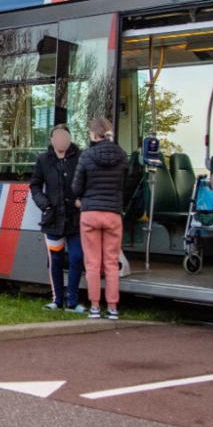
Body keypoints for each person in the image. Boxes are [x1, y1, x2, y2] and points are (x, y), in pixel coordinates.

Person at [72, 117, 128, 321]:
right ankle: (113, 308)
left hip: (90, 213)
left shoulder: (86, 156)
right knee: (111, 263)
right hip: (113, 213)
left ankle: (95, 307)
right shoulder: (122, 155)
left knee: (93, 263)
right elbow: (125, 184)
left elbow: (76, 188)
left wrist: (84, 199)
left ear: (94, 135)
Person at [29, 124, 85, 312]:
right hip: (53, 219)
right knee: (56, 259)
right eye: (58, 137)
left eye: (65, 137)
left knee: (77, 257)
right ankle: (57, 300)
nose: (62, 141)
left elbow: (89, 182)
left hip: (76, 220)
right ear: (52, 140)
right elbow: (35, 185)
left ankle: (73, 302)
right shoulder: (43, 160)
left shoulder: (80, 158)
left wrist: (81, 201)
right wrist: (45, 204)